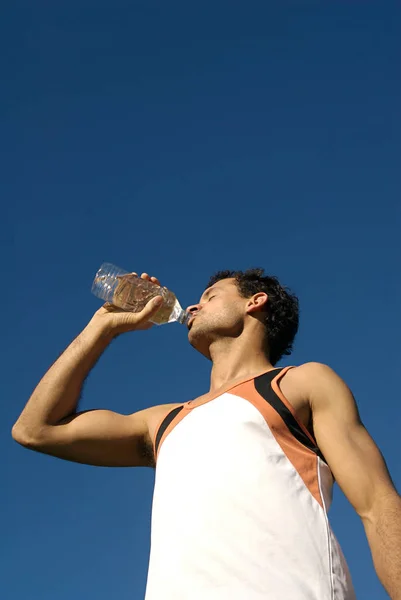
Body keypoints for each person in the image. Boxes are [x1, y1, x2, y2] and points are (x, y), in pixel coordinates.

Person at [12, 269, 401, 600]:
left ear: (255, 302)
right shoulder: (164, 421)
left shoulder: (298, 383)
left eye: (211, 296)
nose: (193, 307)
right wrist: (103, 325)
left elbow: (377, 504)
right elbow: (35, 429)